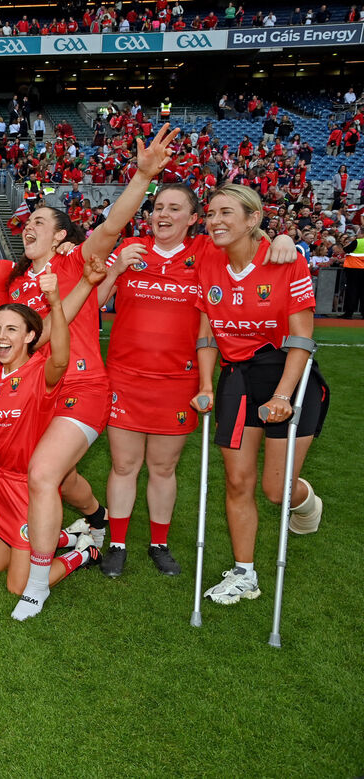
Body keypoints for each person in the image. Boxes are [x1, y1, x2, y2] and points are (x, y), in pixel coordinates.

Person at [6, 123, 180, 620]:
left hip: (81, 386)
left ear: (61, 234)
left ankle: (38, 584)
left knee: (42, 474)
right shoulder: (13, 280)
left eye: (40, 219)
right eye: (27, 220)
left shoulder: (76, 261)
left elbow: (110, 227)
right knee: (58, 477)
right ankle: (97, 520)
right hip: (32, 391)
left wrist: (143, 178)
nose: (29, 225)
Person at [95, 183, 296, 577]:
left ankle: (158, 543)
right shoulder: (130, 249)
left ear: (192, 219)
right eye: (157, 208)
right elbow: (95, 302)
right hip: (125, 375)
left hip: (178, 380)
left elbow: (248, 237)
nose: (163, 215)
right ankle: (116, 542)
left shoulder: (206, 251)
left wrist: (282, 236)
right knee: (123, 465)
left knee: (163, 468)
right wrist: (116, 268)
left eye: (174, 208)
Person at [193, 184, 328, 605]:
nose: (215, 221)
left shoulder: (285, 262)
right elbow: (206, 331)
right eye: (211, 213)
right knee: (237, 481)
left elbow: (302, 339)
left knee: (276, 491)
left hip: (286, 373)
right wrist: (204, 384)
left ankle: (307, 506)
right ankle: (244, 573)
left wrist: (284, 395)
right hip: (237, 377)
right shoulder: (207, 262)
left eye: (226, 213)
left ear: (253, 219)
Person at [0, 261, 108, 609]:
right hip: (0, 483)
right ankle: (66, 535)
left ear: (30, 336)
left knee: (16, 584)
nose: (2, 336)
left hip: (26, 488)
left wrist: (55, 300)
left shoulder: (39, 371)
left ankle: (80, 555)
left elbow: (61, 357)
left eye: (12, 329)